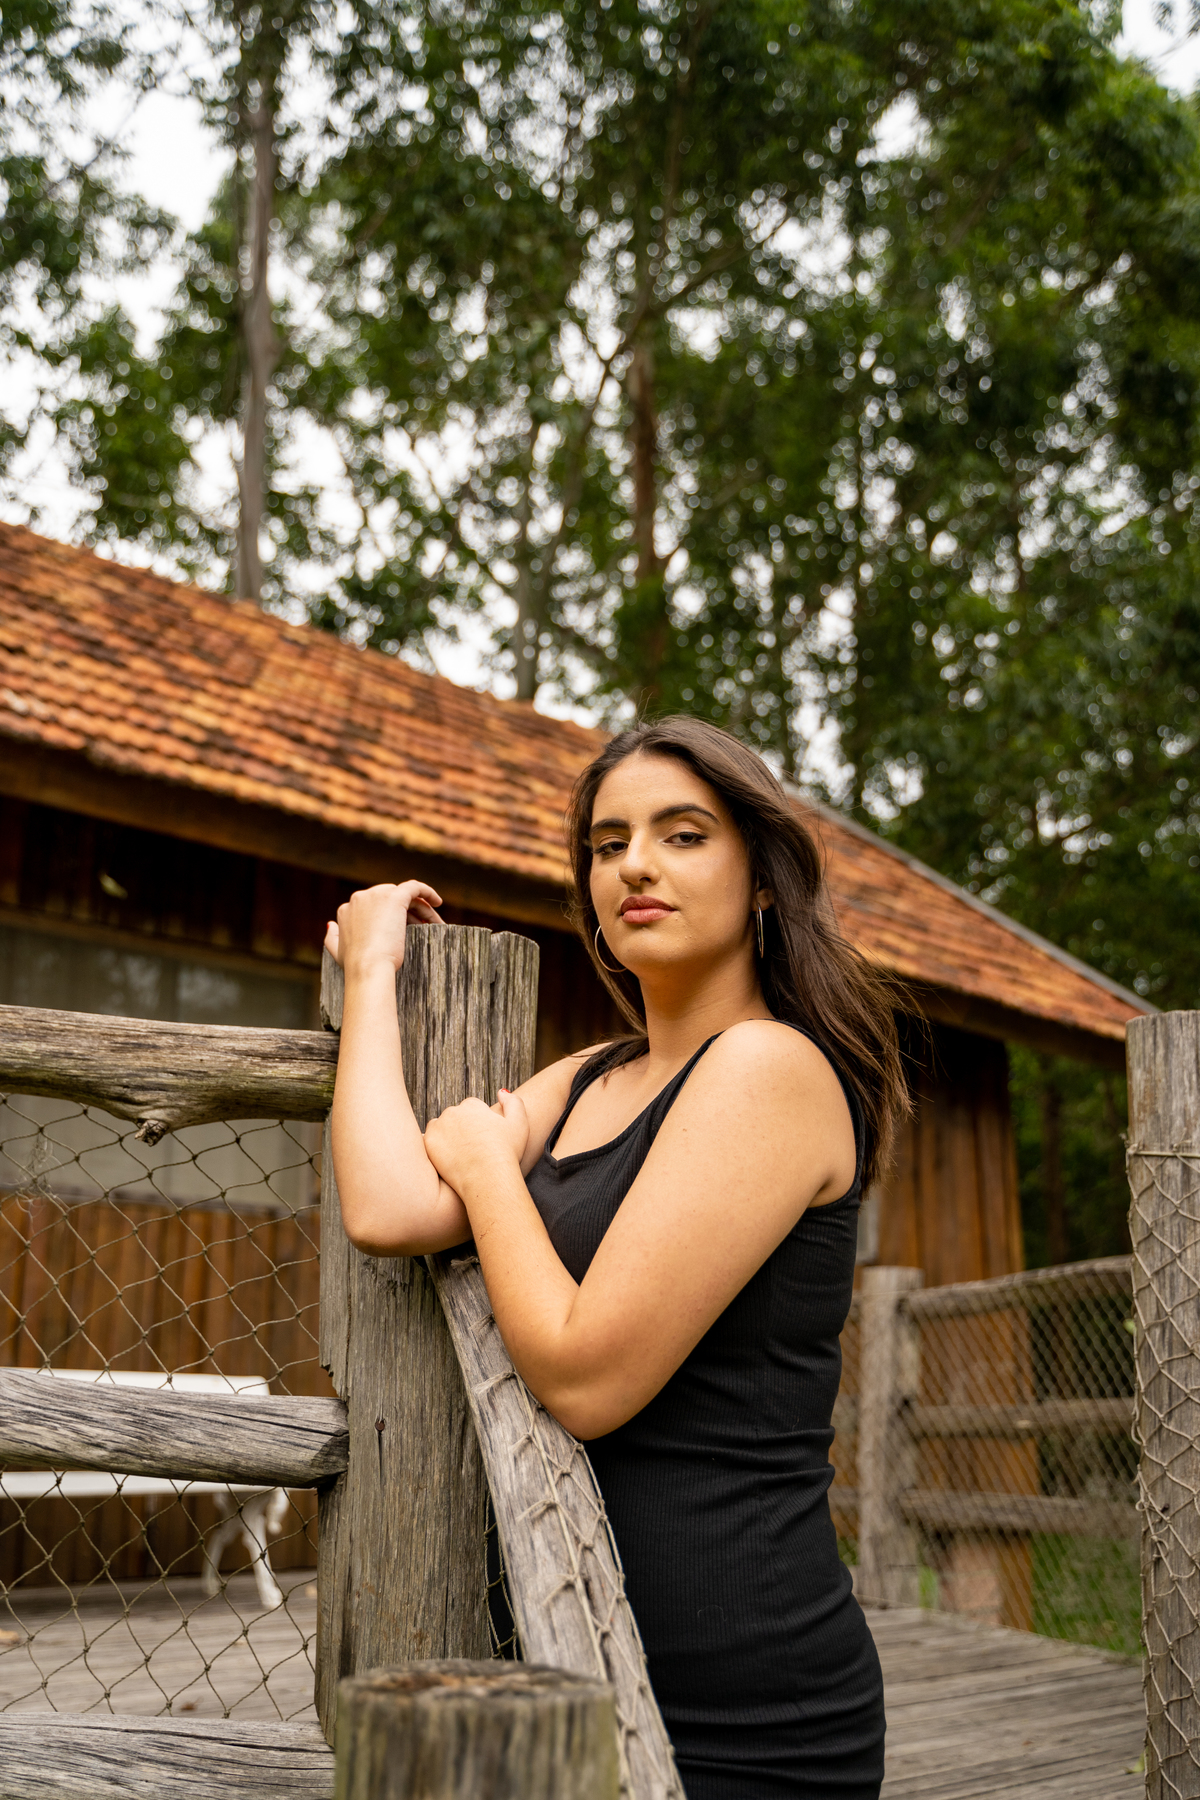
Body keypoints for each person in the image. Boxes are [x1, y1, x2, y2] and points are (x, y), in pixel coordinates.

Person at [326, 716, 908, 1800]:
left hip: (744, 1701)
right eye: (607, 843)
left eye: (683, 835)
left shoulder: (769, 1071)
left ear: (763, 879)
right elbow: (389, 1203)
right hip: (570, 1656)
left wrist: (494, 1177)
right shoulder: (596, 1077)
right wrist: (371, 975)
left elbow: (589, 1376)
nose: (634, 863)